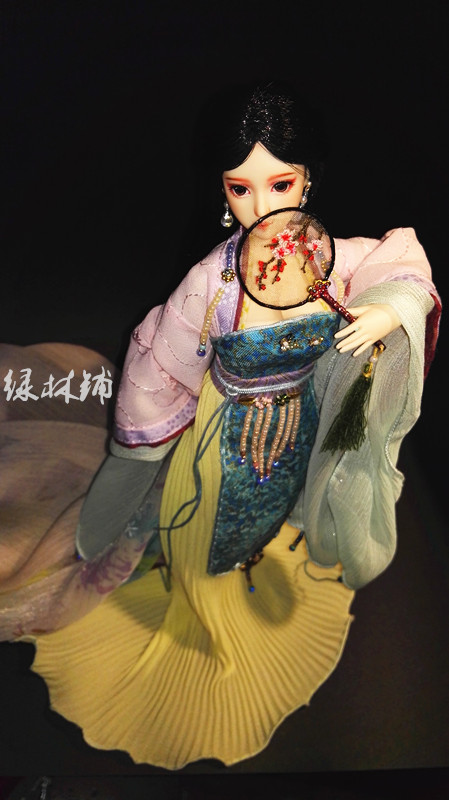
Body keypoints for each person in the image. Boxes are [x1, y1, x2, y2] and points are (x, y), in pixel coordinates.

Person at [0, 81, 440, 769]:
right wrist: (143, 445)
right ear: (223, 191)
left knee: (272, 509)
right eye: (241, 189)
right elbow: (158, 361)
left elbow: (401, 263)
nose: (261, 207)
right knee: (206, 523)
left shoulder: (333, 260)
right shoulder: (214, 282)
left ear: (308, 178)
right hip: (222, 438)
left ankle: (247, 555)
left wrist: (390, 308)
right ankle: (201, 591)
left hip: (295, 431)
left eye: (280, 184)